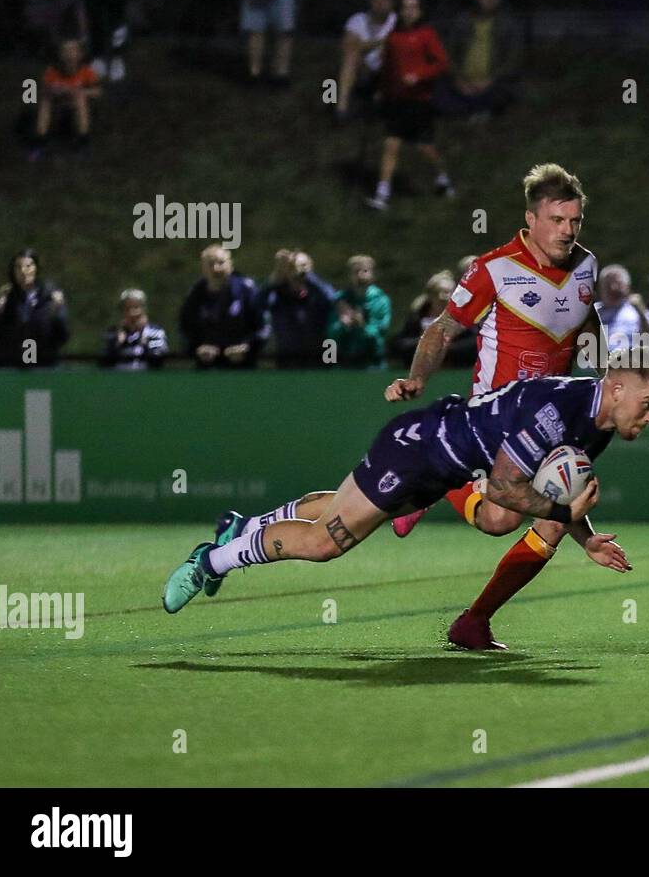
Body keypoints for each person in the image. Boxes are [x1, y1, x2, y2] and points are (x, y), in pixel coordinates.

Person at [208, 164, 604, 650]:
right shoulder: (494, 269)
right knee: (496, 519)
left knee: (554, 515)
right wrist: (417, 377)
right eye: (557, 219)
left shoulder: (586, 266)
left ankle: (473, 621)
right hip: (489, 424)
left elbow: (586, 320)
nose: (567, 230)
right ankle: (438, 491)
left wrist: (600, 366)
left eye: (575, 221)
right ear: (530, 219)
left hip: (549, 421)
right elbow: (441, 329)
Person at [163, 357, 649, 619]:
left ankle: (243, 528)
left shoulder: (595, 424)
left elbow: (561, 494)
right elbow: (501, 489)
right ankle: (210, 560)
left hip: (439, 465)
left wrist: (587, 537)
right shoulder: (559, 409)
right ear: (617, 386)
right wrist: (565, 515)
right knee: (324, 542)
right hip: (418, 453)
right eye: (647, 403)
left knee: (341, 511)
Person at [365, 0, 453, 210]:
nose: (409, 11)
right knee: (391, 144)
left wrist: (419, 76)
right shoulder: (393, 37)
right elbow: (388, 68)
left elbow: (441, 63)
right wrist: (382, 90)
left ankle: (442, 178)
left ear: (420, 11)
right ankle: (382, 194)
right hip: (397, 101)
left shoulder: (426, 34)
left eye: (413, 7)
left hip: (419, 101)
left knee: (425, 147)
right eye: (405, 7)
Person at [436, 0, 523, 120]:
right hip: (463, 81)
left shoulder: (508, 24)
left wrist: (490, 81)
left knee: (504, 92)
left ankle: (470, 110)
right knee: (439, 89)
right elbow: (448, 53)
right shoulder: (462, 20)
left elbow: (513, 59)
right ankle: (474, 110)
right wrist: (459, 80)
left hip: (491, 83)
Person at [178, 245, 264, 370]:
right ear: (203, 268)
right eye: (210, 264)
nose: (216, 268)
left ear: (231, 265)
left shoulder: (247, 290)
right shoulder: (195, 293)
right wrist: (197, 348)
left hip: (242, 366)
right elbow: (184, 329)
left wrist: (248, 347)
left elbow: (263, 327)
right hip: (208, 367)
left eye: (221, 263)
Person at [0, 249, 68, 367]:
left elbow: (62, 337)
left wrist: (56, 313)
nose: (23, 271)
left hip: (42, 367)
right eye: (18, 267)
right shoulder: (4, 296)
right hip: (9, 368)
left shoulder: (49, 297)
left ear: (36, 268)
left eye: (28, 266)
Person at [259, 249, 336, 369]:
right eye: (292, 268)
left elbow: (332, 298)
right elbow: (256, 304)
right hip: (287, 363)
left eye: (304, 266)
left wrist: (307, 275)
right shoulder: (277, 295)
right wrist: (276, 276)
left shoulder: (318, 293)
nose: (297, 271)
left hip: (317, 362)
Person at [30, 37, 101, 158]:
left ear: (80, 54)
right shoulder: (53, 71)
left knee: (80, 99)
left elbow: (97, 91)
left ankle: (84, 142)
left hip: (77, 104)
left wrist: (80, 92)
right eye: (66, 51)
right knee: (45, 102)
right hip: (58, 103)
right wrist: (55, 91)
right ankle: (40, 142)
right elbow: (43, 90)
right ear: (61, 55)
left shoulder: (86, 71)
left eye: (73, 50)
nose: (70, 54)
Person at [391, 269, 475, 369]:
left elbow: (475, 346)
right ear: (429, 295)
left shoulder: (465, 320)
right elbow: (399, 346)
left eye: (447, 292)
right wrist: (425, 341)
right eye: (436, 292)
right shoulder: (416, 319)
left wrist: (446, 346)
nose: (441, 297)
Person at [336, 0, 395, 119]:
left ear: (391, 3)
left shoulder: (397, 21)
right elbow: (349, 46)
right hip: (363, 69)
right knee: (351, 56)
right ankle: (341, 110)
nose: (380, 3)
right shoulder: (357, 20)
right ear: (371, 2)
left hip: (387, 69)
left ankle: (379, 102)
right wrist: (382, 41)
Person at [327, 254, 391, 369]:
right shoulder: (340, 299)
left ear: (372, 275)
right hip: (345, 364)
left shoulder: (381, 300)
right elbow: (330, 336)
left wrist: (362, 324)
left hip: (372, 364)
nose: (360, 275)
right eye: (356, 272)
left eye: (365, 271)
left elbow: (380, 334)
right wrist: (342, 324)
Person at [100, 287, 167, 370]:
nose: (131, 313)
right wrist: (117, 344)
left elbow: (159, 361)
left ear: (143, 309)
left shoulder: (155, 331)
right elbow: (103, 363)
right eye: (127, 309)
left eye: (136, 308)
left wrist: (144, 341)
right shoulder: (113, 333)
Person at [595, 265, 649, 351]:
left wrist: (641, 312)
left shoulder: (636, 310)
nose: (612, 288)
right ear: (600, 288)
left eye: (618, 284)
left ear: (627, 287)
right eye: (607, 284)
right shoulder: (593, 310)